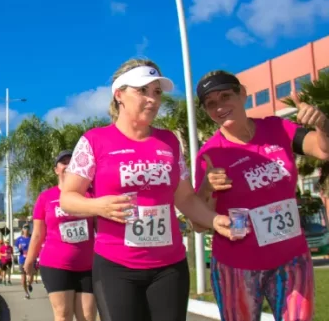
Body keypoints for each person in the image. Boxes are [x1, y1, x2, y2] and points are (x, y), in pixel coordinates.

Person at [59, 58, 241, 321]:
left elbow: (185, 197)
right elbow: (68, 198)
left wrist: (216, 220)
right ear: (119, 94)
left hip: (169, 267)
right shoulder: (94, 141)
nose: (152, 99)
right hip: (116, 266)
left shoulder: (169, 141)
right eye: (142, 90)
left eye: (156, 92)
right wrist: (99, 206)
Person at [193, 70, 329, 321]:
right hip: (236, 266)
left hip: (291, 258)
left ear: (242, 94)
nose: (219, 107)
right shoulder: (210, 155)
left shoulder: (277, 128)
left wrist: (321, 122)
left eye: (225, 96)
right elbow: (199, 223)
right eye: (211, 104)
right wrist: (207, 188)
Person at [24, 150, 96, 321]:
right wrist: (29, 261)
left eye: (72, 162)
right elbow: (38, 234)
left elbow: (101, 228)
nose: (68, 165)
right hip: (56, 264)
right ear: (56, 169)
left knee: (87, 316)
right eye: (64, 162)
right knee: (63, 315)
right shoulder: (45, 198)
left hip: (89, 266)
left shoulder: (90, 195)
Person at [15, 225, 34, 299]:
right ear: (22, 229)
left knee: (30, 276)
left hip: (30, 259)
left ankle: (29, 284)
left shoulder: (32, 238)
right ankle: (26, 293)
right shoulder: (19, 239)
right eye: (25, 228)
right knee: (23, 280)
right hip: (22, 260)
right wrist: (18, 249)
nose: (26, 229)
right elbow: (16, 250)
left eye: (28, 228)